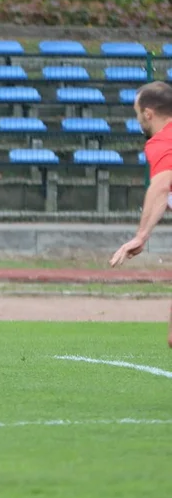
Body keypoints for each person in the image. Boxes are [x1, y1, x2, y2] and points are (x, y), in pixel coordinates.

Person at [109, 80, 172, 348]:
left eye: (137, 112)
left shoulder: (162, 141)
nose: (137, 119)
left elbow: (160, 186)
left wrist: (141, 236)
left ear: (148, 113)